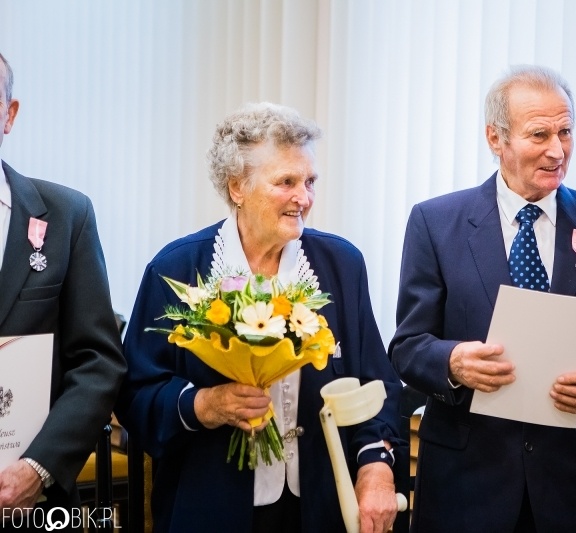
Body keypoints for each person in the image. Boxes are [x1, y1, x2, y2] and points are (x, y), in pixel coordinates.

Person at [389, 65, 576, 532]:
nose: (558, 150)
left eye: (566, 131)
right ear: (496, 138)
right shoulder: (436, 223)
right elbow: (408, 345)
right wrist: (453, 362)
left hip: (571, 482)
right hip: (463, 484)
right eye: (539, 134)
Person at [115, 102, 403, 533]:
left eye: (309, 181)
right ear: (237, 186)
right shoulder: (177, 270)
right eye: (285, 182)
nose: (303, 198)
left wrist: (376, 467)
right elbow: (134, 396)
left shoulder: (341, 264)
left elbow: (374, 384)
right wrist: (202, 405)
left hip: (318, 508)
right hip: (212, 506)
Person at [0, 52, 127, 528]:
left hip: (32, 499)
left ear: (10, 114)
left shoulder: (67, 215)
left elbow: (98, 360)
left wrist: (38, 469)